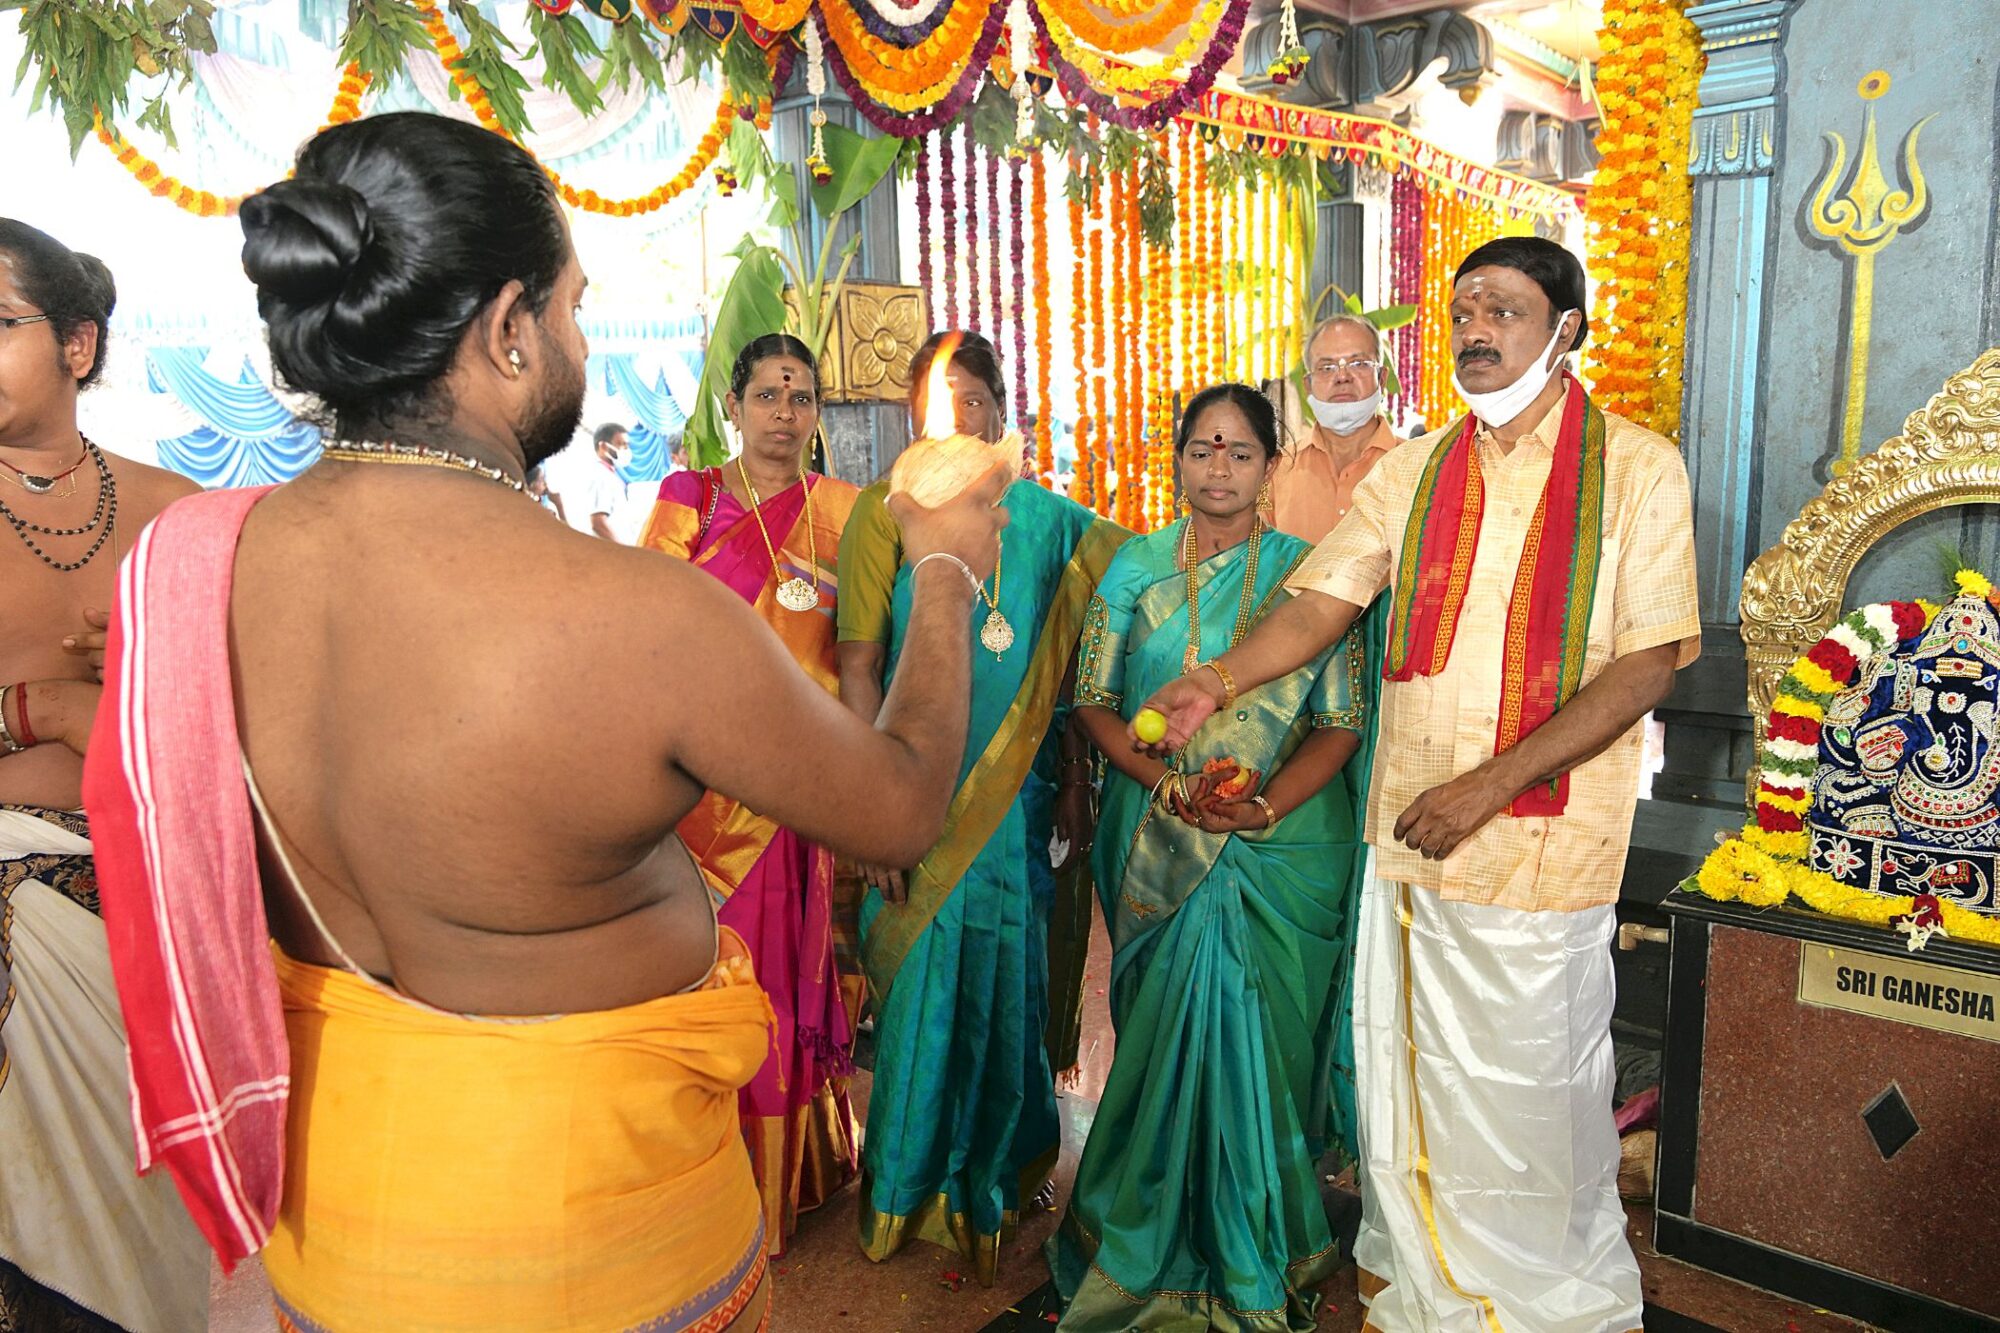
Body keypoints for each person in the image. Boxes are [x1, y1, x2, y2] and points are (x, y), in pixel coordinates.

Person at [80, 112, 1010, 1333]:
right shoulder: (633, 611)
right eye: (572, 308)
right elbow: (893, 803)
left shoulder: (195, 563)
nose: (576, 338)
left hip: (337, 1226)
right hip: (592, 1245)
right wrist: (945, 570)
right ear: (508, 328)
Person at [1134, 236, 1699, 1333]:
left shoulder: (1635, 466)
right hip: (1411, 836)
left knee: (1529, 1095)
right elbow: (1320, 604)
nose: (1475, 331)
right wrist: (1214, 673)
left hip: (1538, 842)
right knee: (1420, 1076)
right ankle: (1440, 1292)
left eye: (1502, 310)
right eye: (1461, 313)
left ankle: (1533, 1303)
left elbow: (1646, 662)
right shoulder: (1415, 470)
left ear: (1565, 329)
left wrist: (1487, 786)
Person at [1048, 383, 1373, 1331]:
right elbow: (1094, 699)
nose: (1219, 468)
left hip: (1283, 845)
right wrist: (1160, 785)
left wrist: (1265, 802)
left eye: (1239, 452)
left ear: (1273, 467)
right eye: (1203, 449)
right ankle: (1144, 1227)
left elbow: (1341, 724)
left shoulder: (1316, 577)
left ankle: (1261, 1237)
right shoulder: (1132, 568)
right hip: (1158, 834)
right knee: (1161, 1036)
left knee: (1263, 1044)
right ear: (1178, 460)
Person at [836, 330, 1128, 1285]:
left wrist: (1081, 780)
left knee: (1012, 985)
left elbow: (1086, 665)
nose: (956, 417)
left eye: (971, 399)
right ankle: (906, 1188)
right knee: (921, 992)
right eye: (936, 402)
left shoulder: (1051, 524)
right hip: (917, 798)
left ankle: (997, 1178)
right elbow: (859, 666)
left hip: (1023, 803)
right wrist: (868, 805)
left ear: (1002, 412)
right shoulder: (890, 513)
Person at [0, 220, 209, 1333]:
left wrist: (124, 701)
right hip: (19, 925)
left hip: (163, 910)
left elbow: (241, 724)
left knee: (150, 1259)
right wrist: (39, 713)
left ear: (78, 345)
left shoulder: (177, 512)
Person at [636, 332, 861, 1256]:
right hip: (699, 787)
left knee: (776, 974)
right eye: (768, 393)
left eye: (801, 396)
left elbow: (866, 634)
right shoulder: (692, 496)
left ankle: (780, 1182)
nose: (784, 412)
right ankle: (697, 1173)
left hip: (792, 785)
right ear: (733, 405)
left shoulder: (844, 508)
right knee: (698, 968)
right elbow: (653, 617)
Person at [1265, 313, 1402, 543]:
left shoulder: (1417, 468)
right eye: (1327, 367)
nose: (1342, 377)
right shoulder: (1277, 471)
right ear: (1308, 385)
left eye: (1358, 364)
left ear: (1382, 377)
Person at [572, 421, 631, 540]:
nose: (626, 449)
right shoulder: (599, 476)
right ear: (603, 446)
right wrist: (622, 552)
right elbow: (598, 523)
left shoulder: (609, 474)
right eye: (621, 444)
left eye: (627, 445)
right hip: (611, 550)